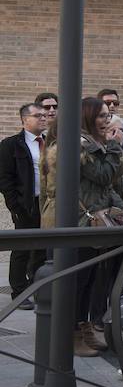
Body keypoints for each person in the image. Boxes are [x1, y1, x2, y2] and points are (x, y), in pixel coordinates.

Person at [41, 97, 123, 357]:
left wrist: (122, 206)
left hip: (89, 221)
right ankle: (70, 335)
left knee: (89, 279)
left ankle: (83, 328)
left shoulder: (92, 144)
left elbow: (103, 186)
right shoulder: (78, 146)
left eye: (107, 115)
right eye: (101, 116)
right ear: (87, 118)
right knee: (76, 282)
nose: (107, 120)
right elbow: (104, 175)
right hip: (75, 221)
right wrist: (114, 146)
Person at [0, 104, 49, 310]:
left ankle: (36, 287)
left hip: (47, 204)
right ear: (24, 120)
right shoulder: (11, 144)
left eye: (44, 115)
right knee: (22, 248)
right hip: (25, 204)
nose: (43, 118)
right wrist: (15, 206)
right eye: (38, 115)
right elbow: (4, 178)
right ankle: (19, 292)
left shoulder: (50, 142)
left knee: (42, 248)